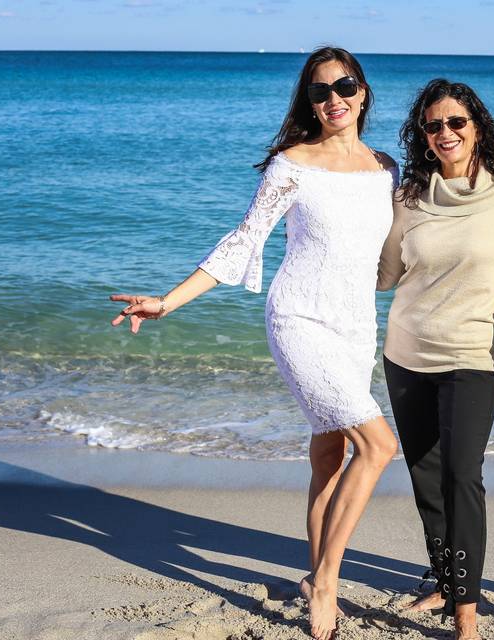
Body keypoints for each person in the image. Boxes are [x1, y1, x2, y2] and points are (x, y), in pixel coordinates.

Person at [109, 46, 399, 640]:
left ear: (364, 91)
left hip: (355, 327)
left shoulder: (388, 168)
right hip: (299, 319)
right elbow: (244, 240)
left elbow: (393, 254)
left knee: (329, 455)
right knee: (377, 446)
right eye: (320, 92)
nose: (334, 99)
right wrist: (168, 300)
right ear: (309, 103)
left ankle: (318, 576)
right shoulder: (291, 164)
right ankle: (324, 582)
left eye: (344, 86)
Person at [376, 79, 494, 640]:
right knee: (425, 476)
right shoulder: (408, 197)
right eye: (432, 125)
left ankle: (466, 614)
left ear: (477, 127)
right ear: (421, 136)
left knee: (462, 475)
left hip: (471, 353)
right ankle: (443, 581)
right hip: (406, 351)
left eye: (455, 123)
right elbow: (386, 275)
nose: (444, 133)